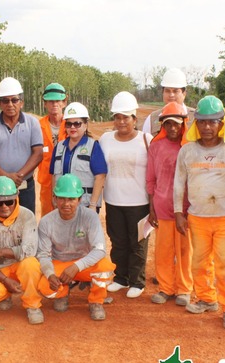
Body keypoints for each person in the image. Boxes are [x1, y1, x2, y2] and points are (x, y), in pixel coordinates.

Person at [173, 95, 225, 331]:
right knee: (199, 262)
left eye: (213, 122)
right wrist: (178, 212)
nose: (207, 127)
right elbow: (179, 184)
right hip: (198, 217)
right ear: (196, 123)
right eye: (203, 122)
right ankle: (207, 299)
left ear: (222, 122)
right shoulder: (187, 152)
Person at [37, 174, 115, 321]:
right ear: (55, 198)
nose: (66, 204)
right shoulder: (46, 222)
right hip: (60, 264)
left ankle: (96, 301)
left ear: (79, 200)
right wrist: (50, 274)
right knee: (44, 287)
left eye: (71, 199)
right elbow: (43, 255)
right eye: (62, 198)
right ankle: (63, 291)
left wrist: (77, 266)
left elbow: (99, 249)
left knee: (104, 267)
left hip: (83, 264)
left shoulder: (90, 217)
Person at [100, 91, 152, 299]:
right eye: (117, 117)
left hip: (139, 202)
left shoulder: (146, 140)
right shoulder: (105, 139)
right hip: (113, 200)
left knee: (138, 243)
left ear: (134, 119)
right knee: (118, 241)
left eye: (126, 117)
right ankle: (120, 277)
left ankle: (137, 281)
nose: (121, 122)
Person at [0, 177, 43, 325]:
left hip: (21, 265)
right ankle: (4, 295)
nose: (4, 206)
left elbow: (30, 250)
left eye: (9, 202)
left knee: (31, 263)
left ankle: (32, 305)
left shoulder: (27, 216)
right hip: (0, 270)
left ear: (17, 198)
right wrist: (5, 280)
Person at [146, 102, 193, 306]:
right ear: (163, 126)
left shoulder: (190, 147)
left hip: (185, 210)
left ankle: (184, 289)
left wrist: (191, 208)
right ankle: (166, 287)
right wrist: (151, 208)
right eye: (168, 124)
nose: (173, 128)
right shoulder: (156, 146)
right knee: (163, 251)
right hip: (162, 207)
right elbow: (151, 179)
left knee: (184, 251)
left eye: (176, 124)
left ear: (183, 124)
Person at [0, 77, 43, 214]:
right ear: (0, 103)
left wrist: (19, 176)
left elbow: (38, 154)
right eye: (5, 100)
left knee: (26, 226)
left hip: (24, 185)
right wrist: (6, 177)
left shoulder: (32, 123)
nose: (10, 104)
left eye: (14, 100)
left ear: (21, 102)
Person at [50, 102, 107, 212]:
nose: (72, 127)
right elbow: (54, 175)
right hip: (63, 205)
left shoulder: (93, 147)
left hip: (85, 205)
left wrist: (93, 205)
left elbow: (100, 177)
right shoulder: (59, 148)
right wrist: (54, 197)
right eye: (69, 124)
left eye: (77, 124)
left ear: (85, 125)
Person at [38, 82, 68, 216]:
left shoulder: (71, 124)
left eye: (57, 100)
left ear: (64, 102)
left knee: (68, 217)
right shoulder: (38, 127)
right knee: (47, 218)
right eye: (50, 101)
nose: (54, 104)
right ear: (45, 103)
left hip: (67, 179)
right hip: (46, 182)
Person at [139, 68, 195, 136]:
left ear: (184, 94)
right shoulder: (152, 119)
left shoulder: (196, 118)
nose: (171, 95)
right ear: (163, 93)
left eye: (175, 91)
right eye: (167, 91)